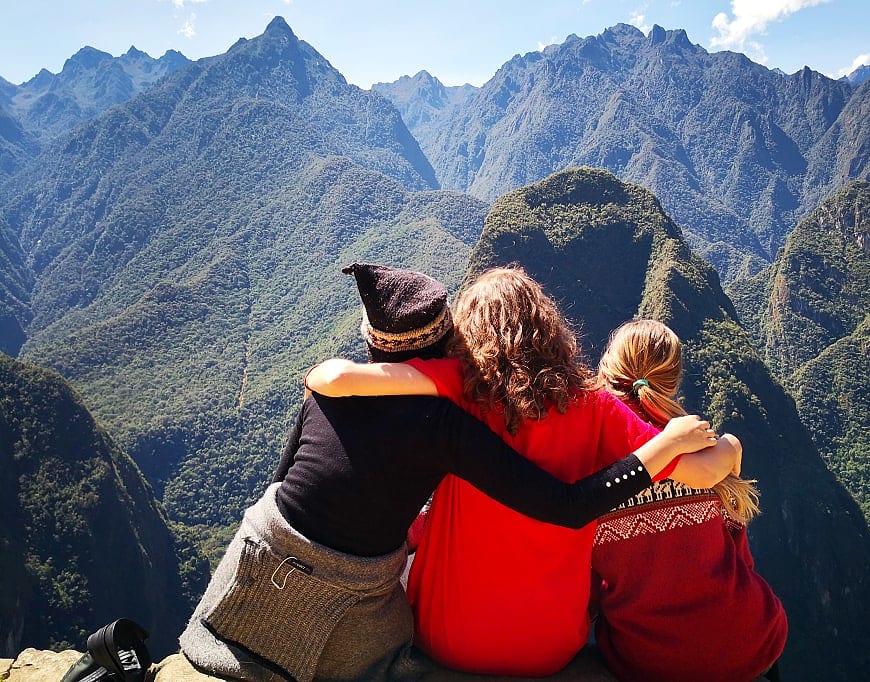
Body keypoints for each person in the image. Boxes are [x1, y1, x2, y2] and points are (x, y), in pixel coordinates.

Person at [178, 264, 727, 682]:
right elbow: (702, 474)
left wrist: (338, 372)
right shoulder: (599, 408)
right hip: (549, 648)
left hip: (446, 634)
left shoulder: (461, 387)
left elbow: (340, 380)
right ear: (550, 329)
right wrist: (703, 447)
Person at [591, 319, 788, 682]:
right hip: (750, 639)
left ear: (608, 369)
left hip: (649, 658)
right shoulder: (706, 453)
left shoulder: (588, 461)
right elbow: (739, 548)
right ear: (674, 380)